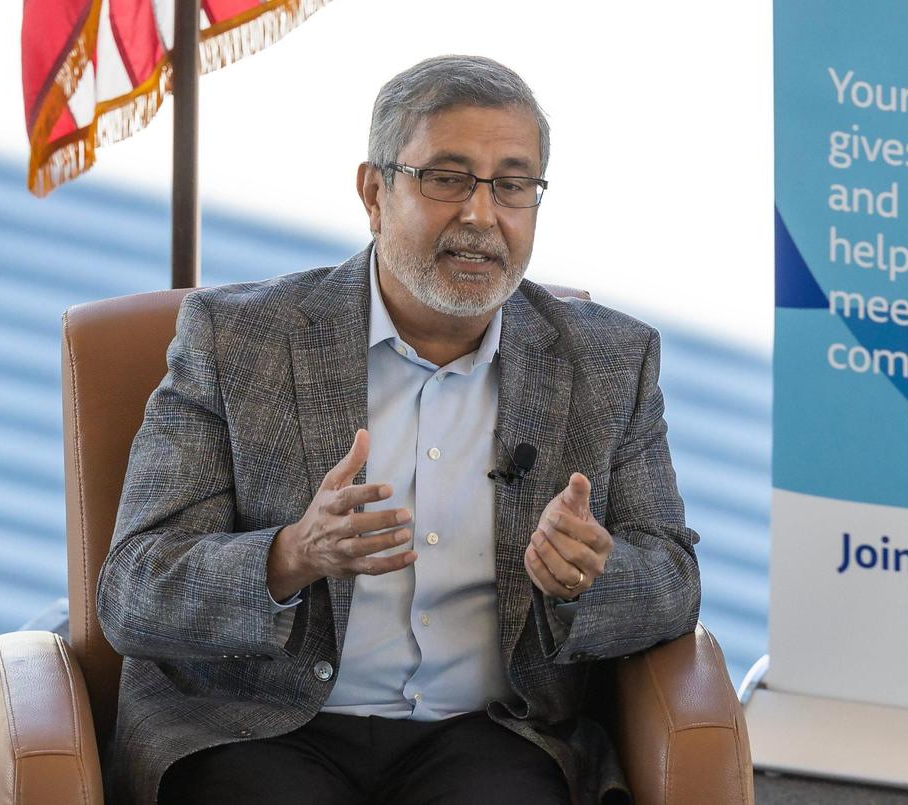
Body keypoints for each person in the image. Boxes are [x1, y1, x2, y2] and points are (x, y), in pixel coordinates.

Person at [97, 55, 700, 805]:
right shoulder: (238, 340)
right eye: (447, 178)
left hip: (491, 734)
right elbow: (134, 589)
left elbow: (674, 581)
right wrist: (291, 555)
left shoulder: (609, 362)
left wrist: (590, 579)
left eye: (512, 186)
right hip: (261, 723)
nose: (481, 216)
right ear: (374, 192)